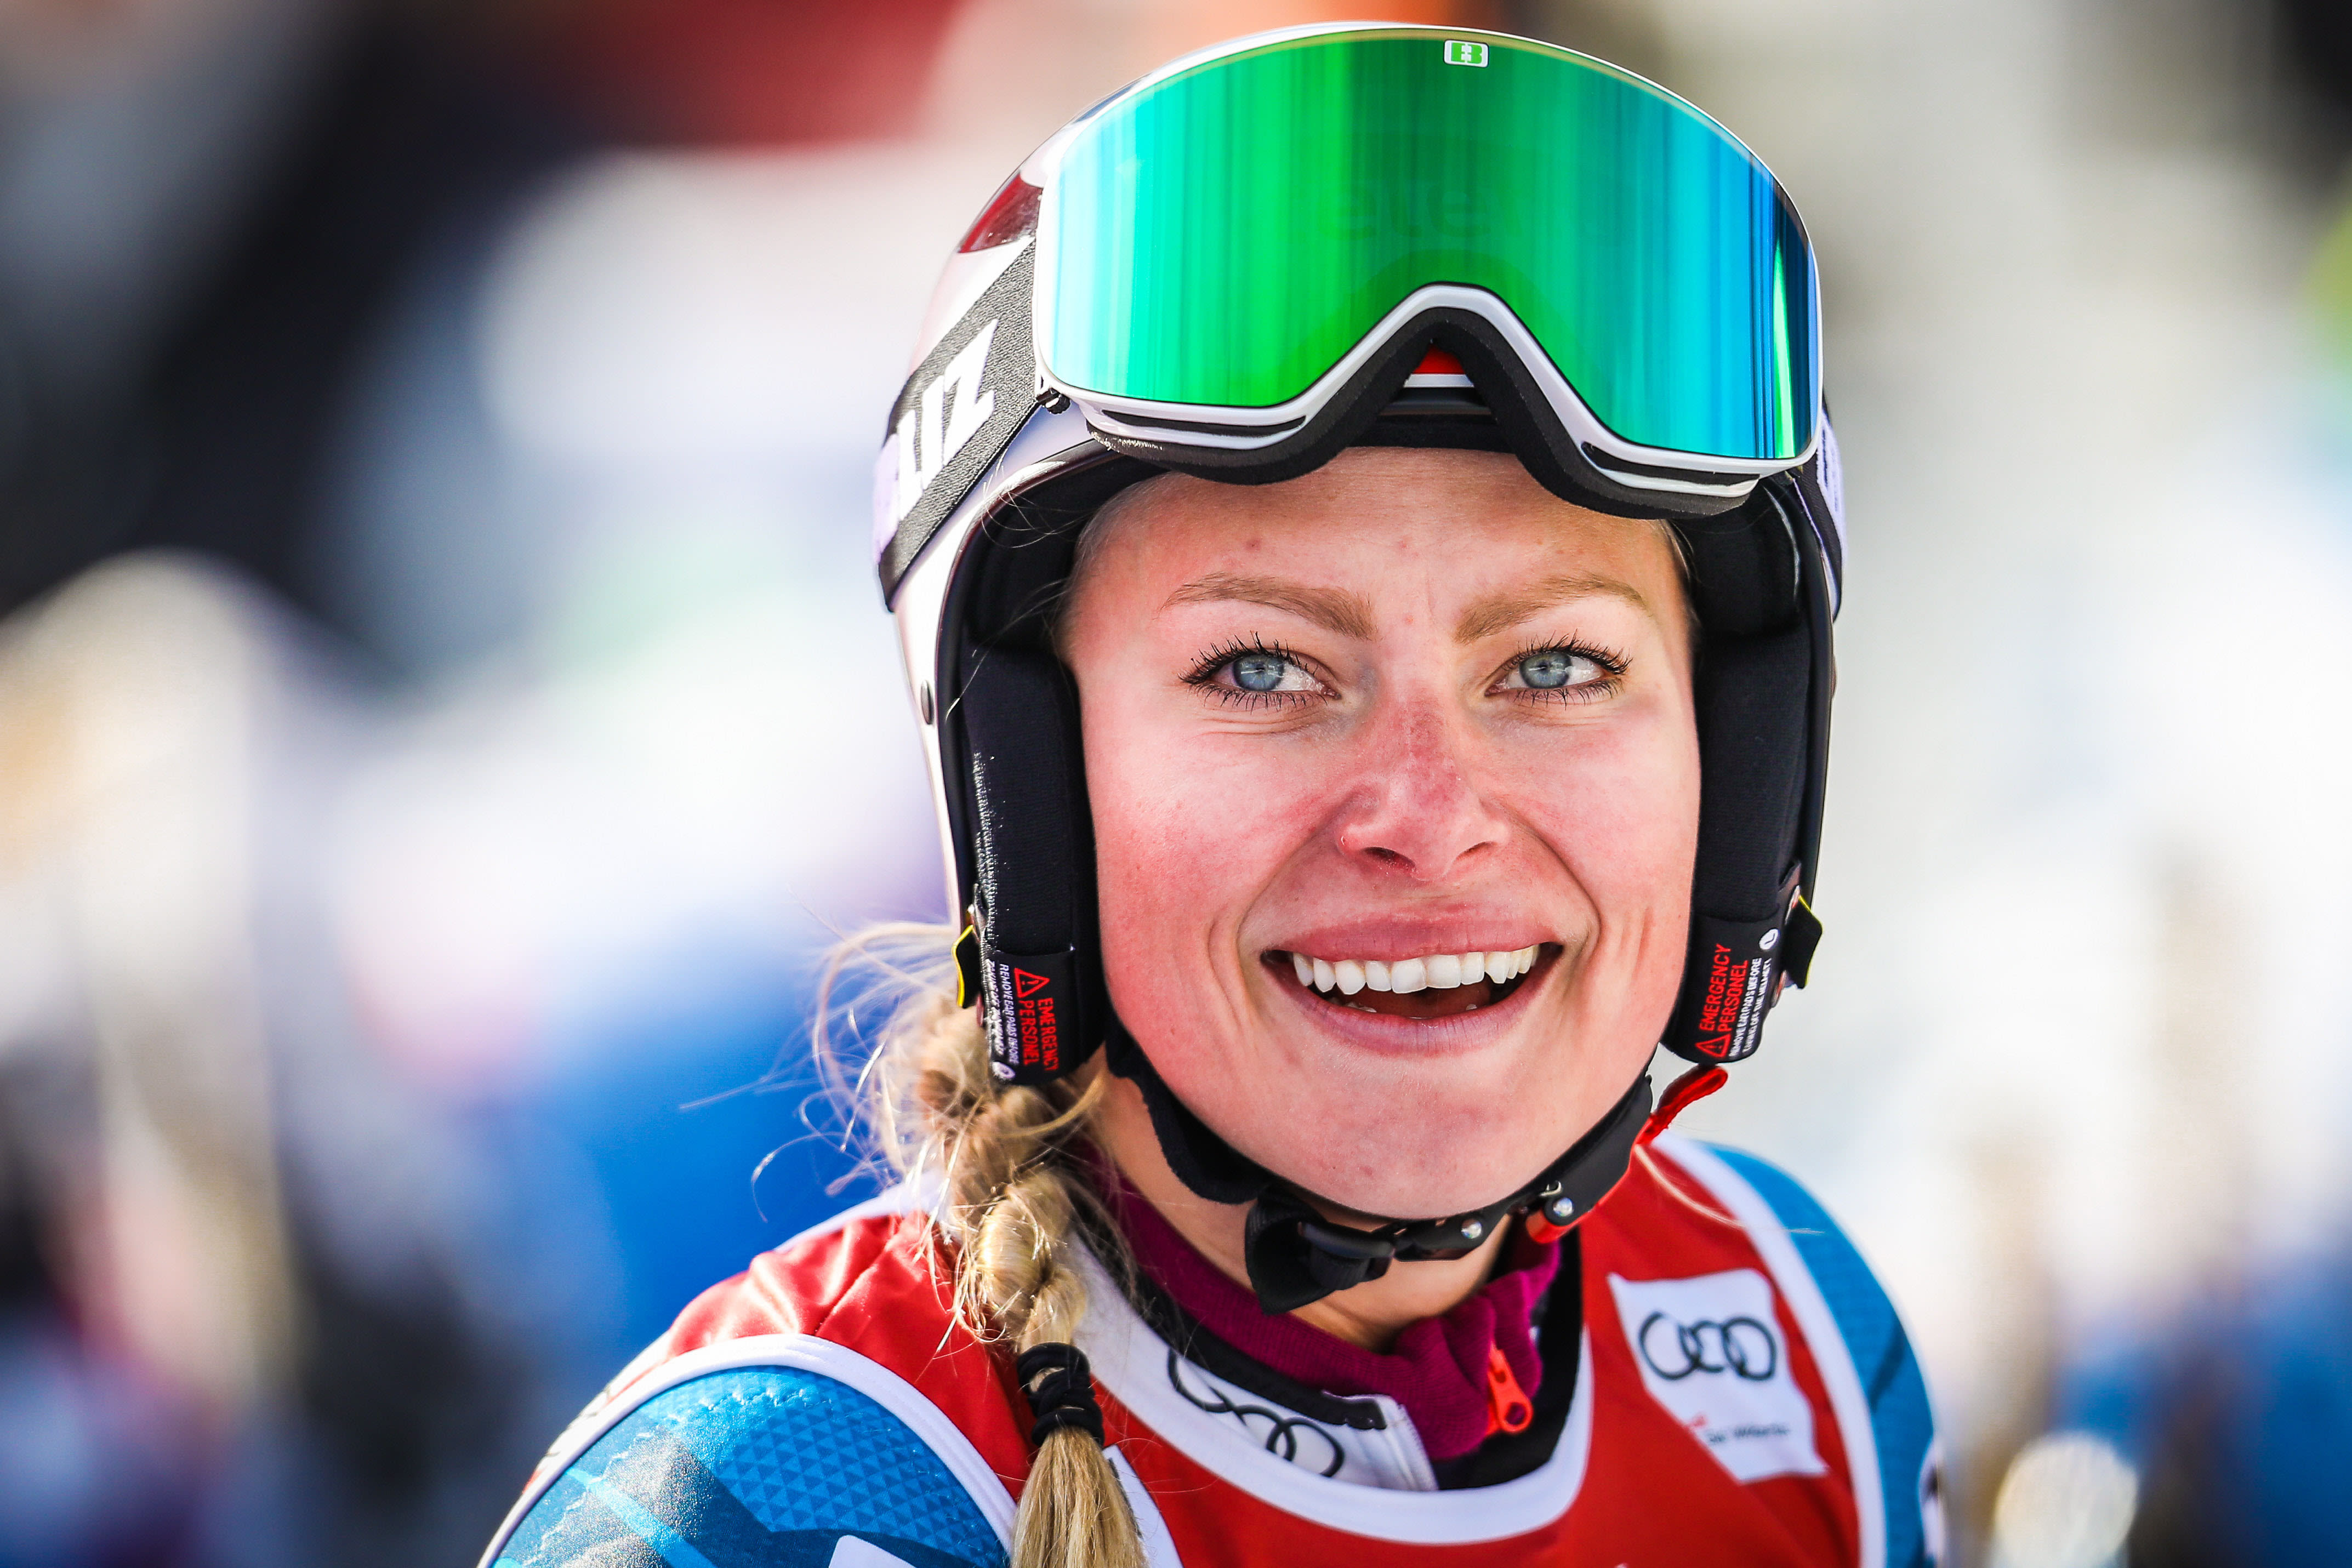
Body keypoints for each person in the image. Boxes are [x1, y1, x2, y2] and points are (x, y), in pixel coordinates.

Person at [481, 25, 1942, 1568]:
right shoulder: (787, 1503)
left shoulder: (1805, 1359)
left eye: (1558, 666)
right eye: (1261, 670)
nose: (1429, 814)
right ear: (1030, 790)